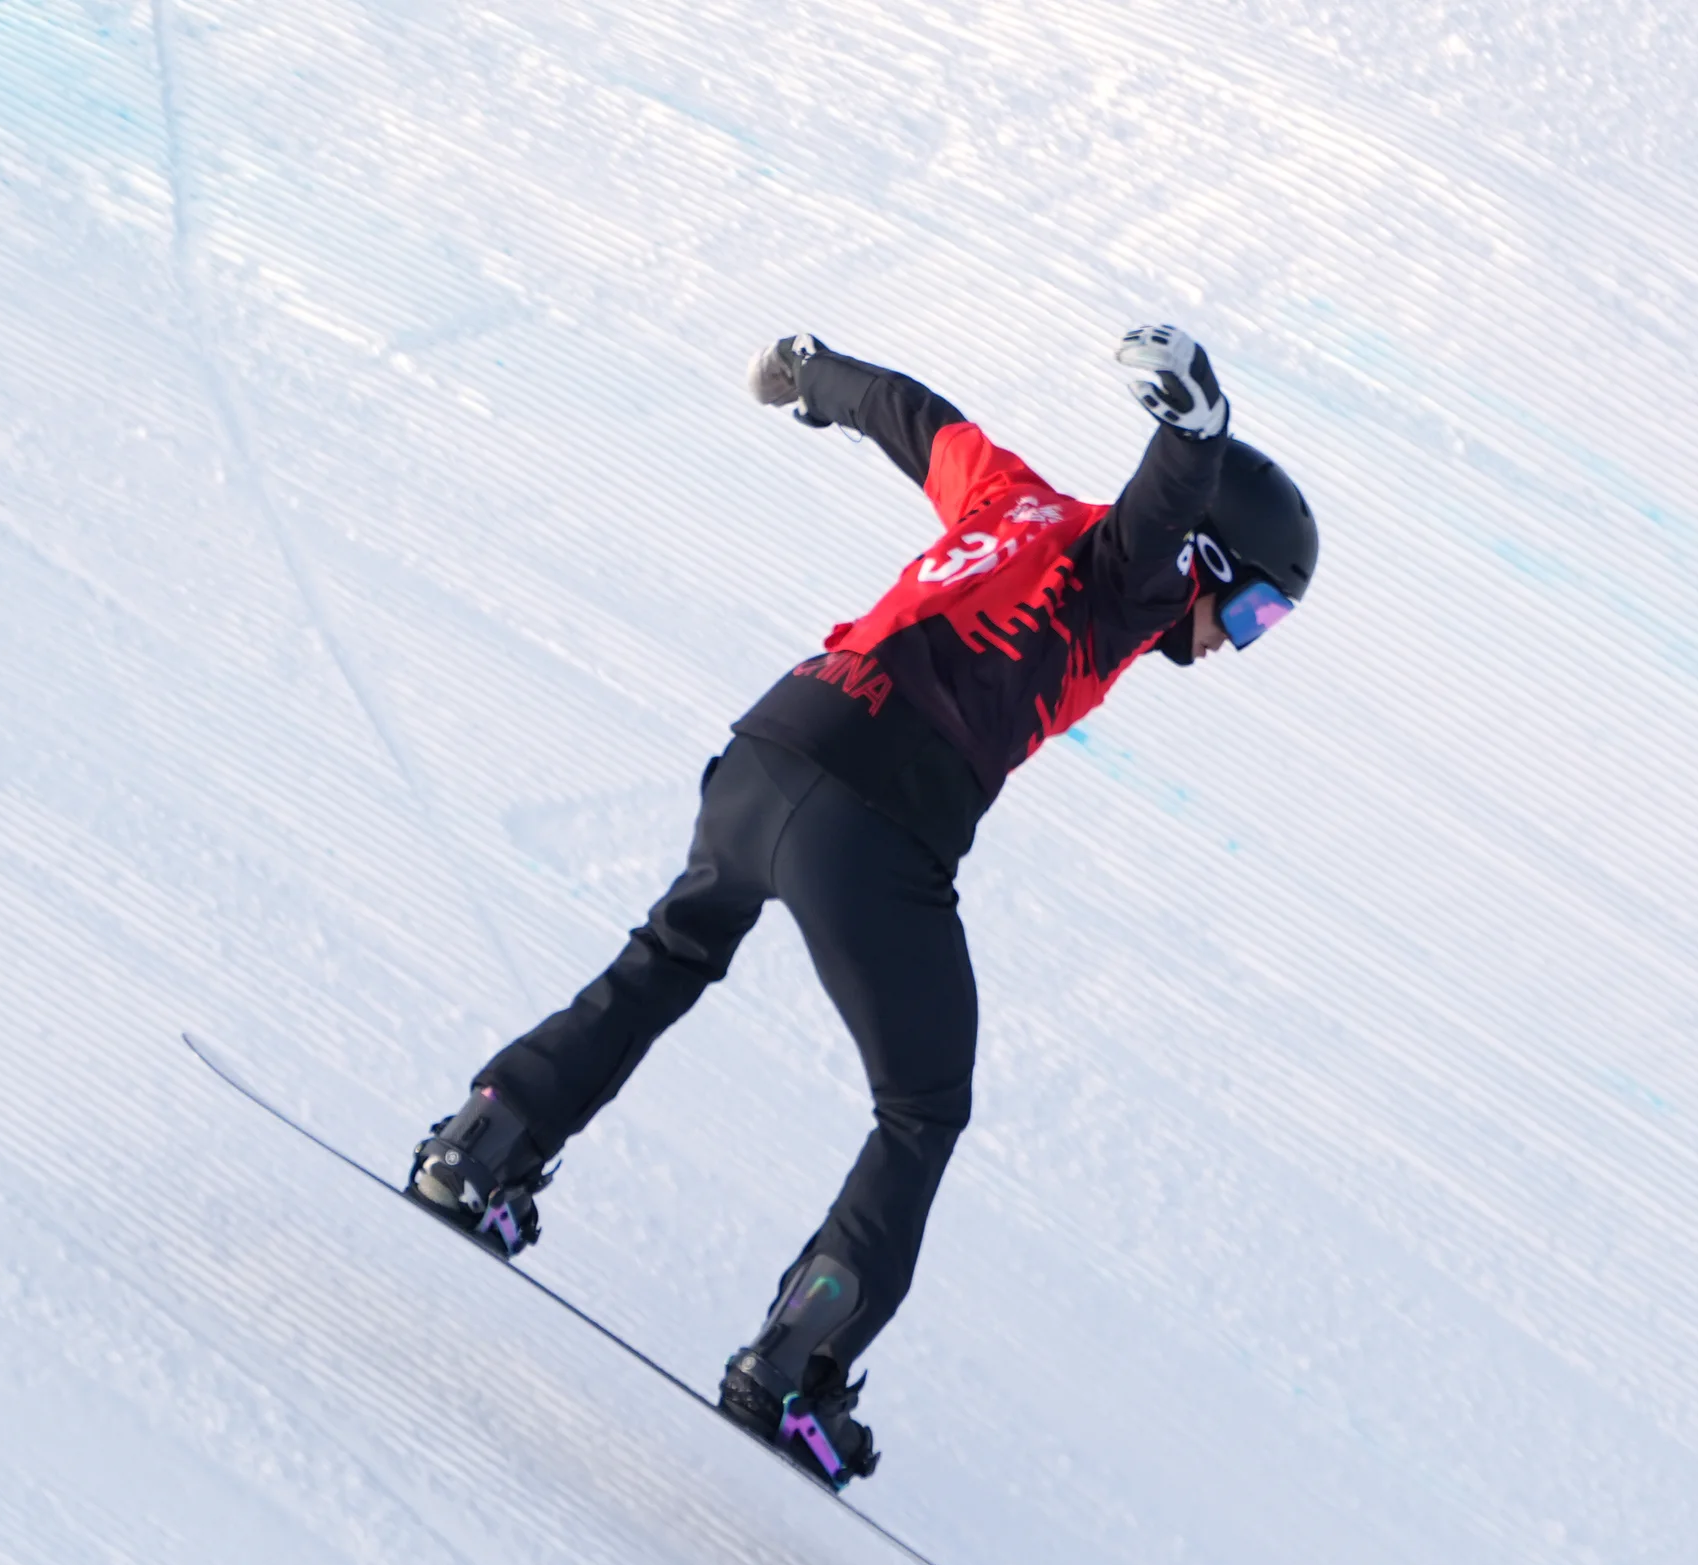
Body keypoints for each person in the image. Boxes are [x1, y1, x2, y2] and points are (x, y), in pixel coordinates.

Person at [406, 324, 1319, 1488]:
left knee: (671, 951)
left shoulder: (1013, 497)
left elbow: (911, 415)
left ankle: (483, 1142)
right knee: (923, 1106)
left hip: (767, 747)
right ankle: (796, 1361)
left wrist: (806, 370)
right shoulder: (1130, 575)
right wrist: (1196, 429)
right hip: (876, 819)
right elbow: (1160, 506)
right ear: (1207, 561)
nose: (1236, 643)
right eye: (1254, 614)